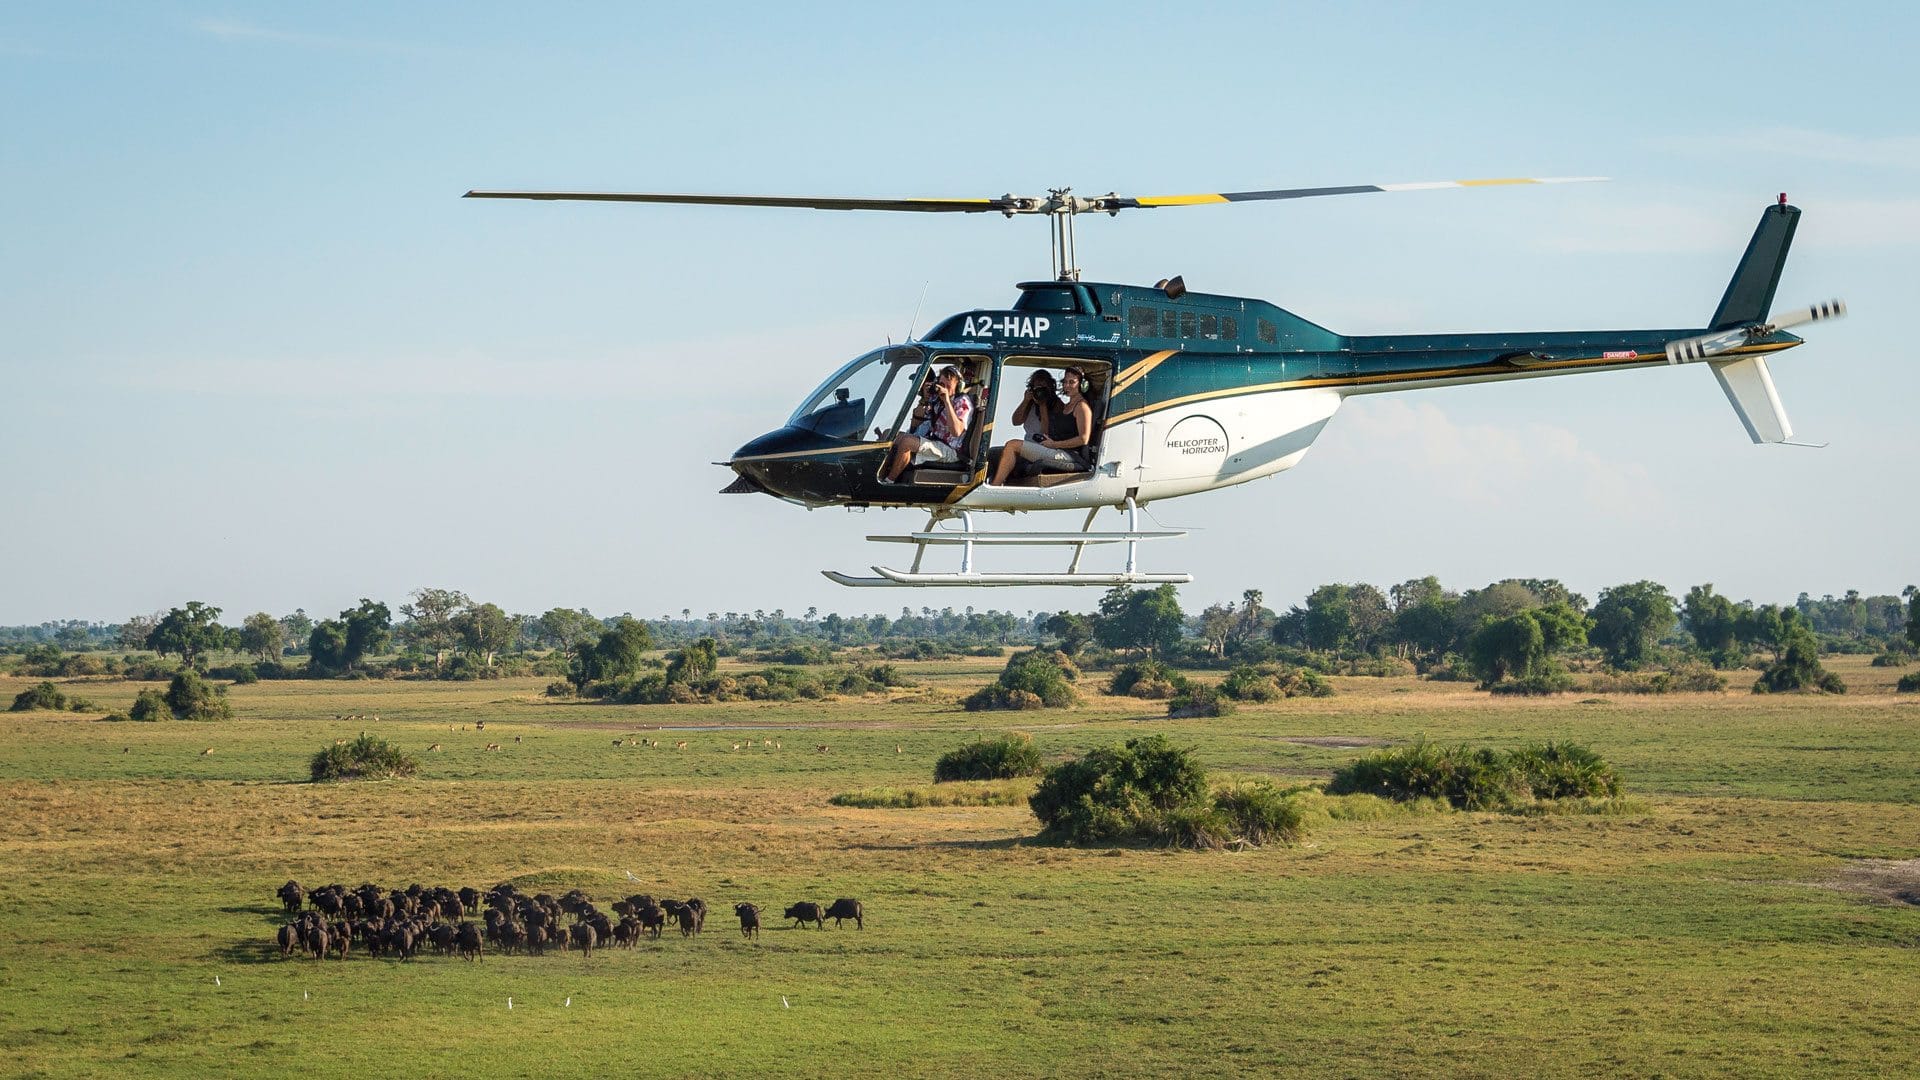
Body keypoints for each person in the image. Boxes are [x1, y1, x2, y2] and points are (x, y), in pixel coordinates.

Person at [991, 367, 1093, 485]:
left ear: (1082, 384)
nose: (1067, 385)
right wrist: (1027, 401)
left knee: (1012, 445)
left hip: (1067, 454)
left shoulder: (1081, 406)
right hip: (1053, 448)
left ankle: (993, 487)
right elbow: (1019, 422)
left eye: (1072, 382)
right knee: (994, 453)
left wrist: (1054, 444)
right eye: (1065, 382)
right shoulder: (1067, 406)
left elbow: (1084, 439)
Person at [882, 366, 972, 482]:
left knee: (907, 442)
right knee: (892, 436)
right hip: (934, 441)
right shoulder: (937, 401)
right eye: (941, 384)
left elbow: (957, 432)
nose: (943, 388)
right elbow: (918, 423)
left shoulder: (962, 402)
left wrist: (947, 402)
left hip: (951, 450)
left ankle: (888, 481)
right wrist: (927, 396)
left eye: (947, 385)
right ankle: (880, 475)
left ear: (958, 386)